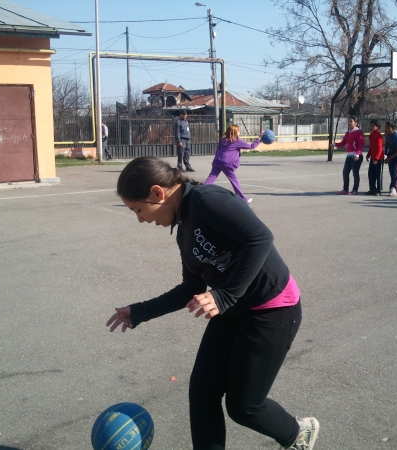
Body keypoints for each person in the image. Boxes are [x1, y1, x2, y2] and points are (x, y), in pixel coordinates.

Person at [107, 156, 320, 450]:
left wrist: (224, 295)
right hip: (231, 307)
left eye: (138, 210)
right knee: (202, 392)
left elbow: (260, 237)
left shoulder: (207, 200)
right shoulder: (184, 228)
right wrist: (140, 312)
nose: (141, 219)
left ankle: (297, 433)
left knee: (244, 407)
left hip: (272, 309)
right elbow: (191, 289)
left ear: (158, 193)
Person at [204, 123, 263, 204]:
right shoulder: (237, 141)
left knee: (211, 178)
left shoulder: (223, 140)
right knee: (234, 181)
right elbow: (251, 146)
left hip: (217, 161)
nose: (239, 132)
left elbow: (218, 149)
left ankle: (200, 192)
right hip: (226, 163)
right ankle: (242, 199)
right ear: (234, 132)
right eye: (238, 131)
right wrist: (259, 138)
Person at [332, 116, 365, 195]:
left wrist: (357, 154)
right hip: (349, 156)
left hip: (356, 156)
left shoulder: (358, 132)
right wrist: (335, 144)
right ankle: (345, 189)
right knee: (345, 172)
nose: (349, 123)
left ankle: (355, 190)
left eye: (351, 121)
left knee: (355, 173)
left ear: (356, 123)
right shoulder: (348, 133)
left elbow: (361, 144)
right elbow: (343, 143)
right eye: (349, 121)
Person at [383, 122, 397, 197]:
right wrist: (385, 153)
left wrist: (389, 158)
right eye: (386, 127)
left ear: (393, 129)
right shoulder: (387, 134)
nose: (386, 129)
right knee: (392, 171)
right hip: (391, 152)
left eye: (388, 128)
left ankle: (393, 188)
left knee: (395, 171)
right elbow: (387, 143)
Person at [365, 119, 383, 195]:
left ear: (377, 127)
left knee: (377, 175)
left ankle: (378, 190)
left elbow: (379, 148)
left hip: (378, 158)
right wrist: (368, 155)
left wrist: (376, 158)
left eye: (373, 126)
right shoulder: (371, 135)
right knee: (371, 174)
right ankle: (372, 189)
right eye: (371, 126)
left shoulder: (379, 135)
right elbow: (371, 147)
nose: (371, 127)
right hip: (372, 157)